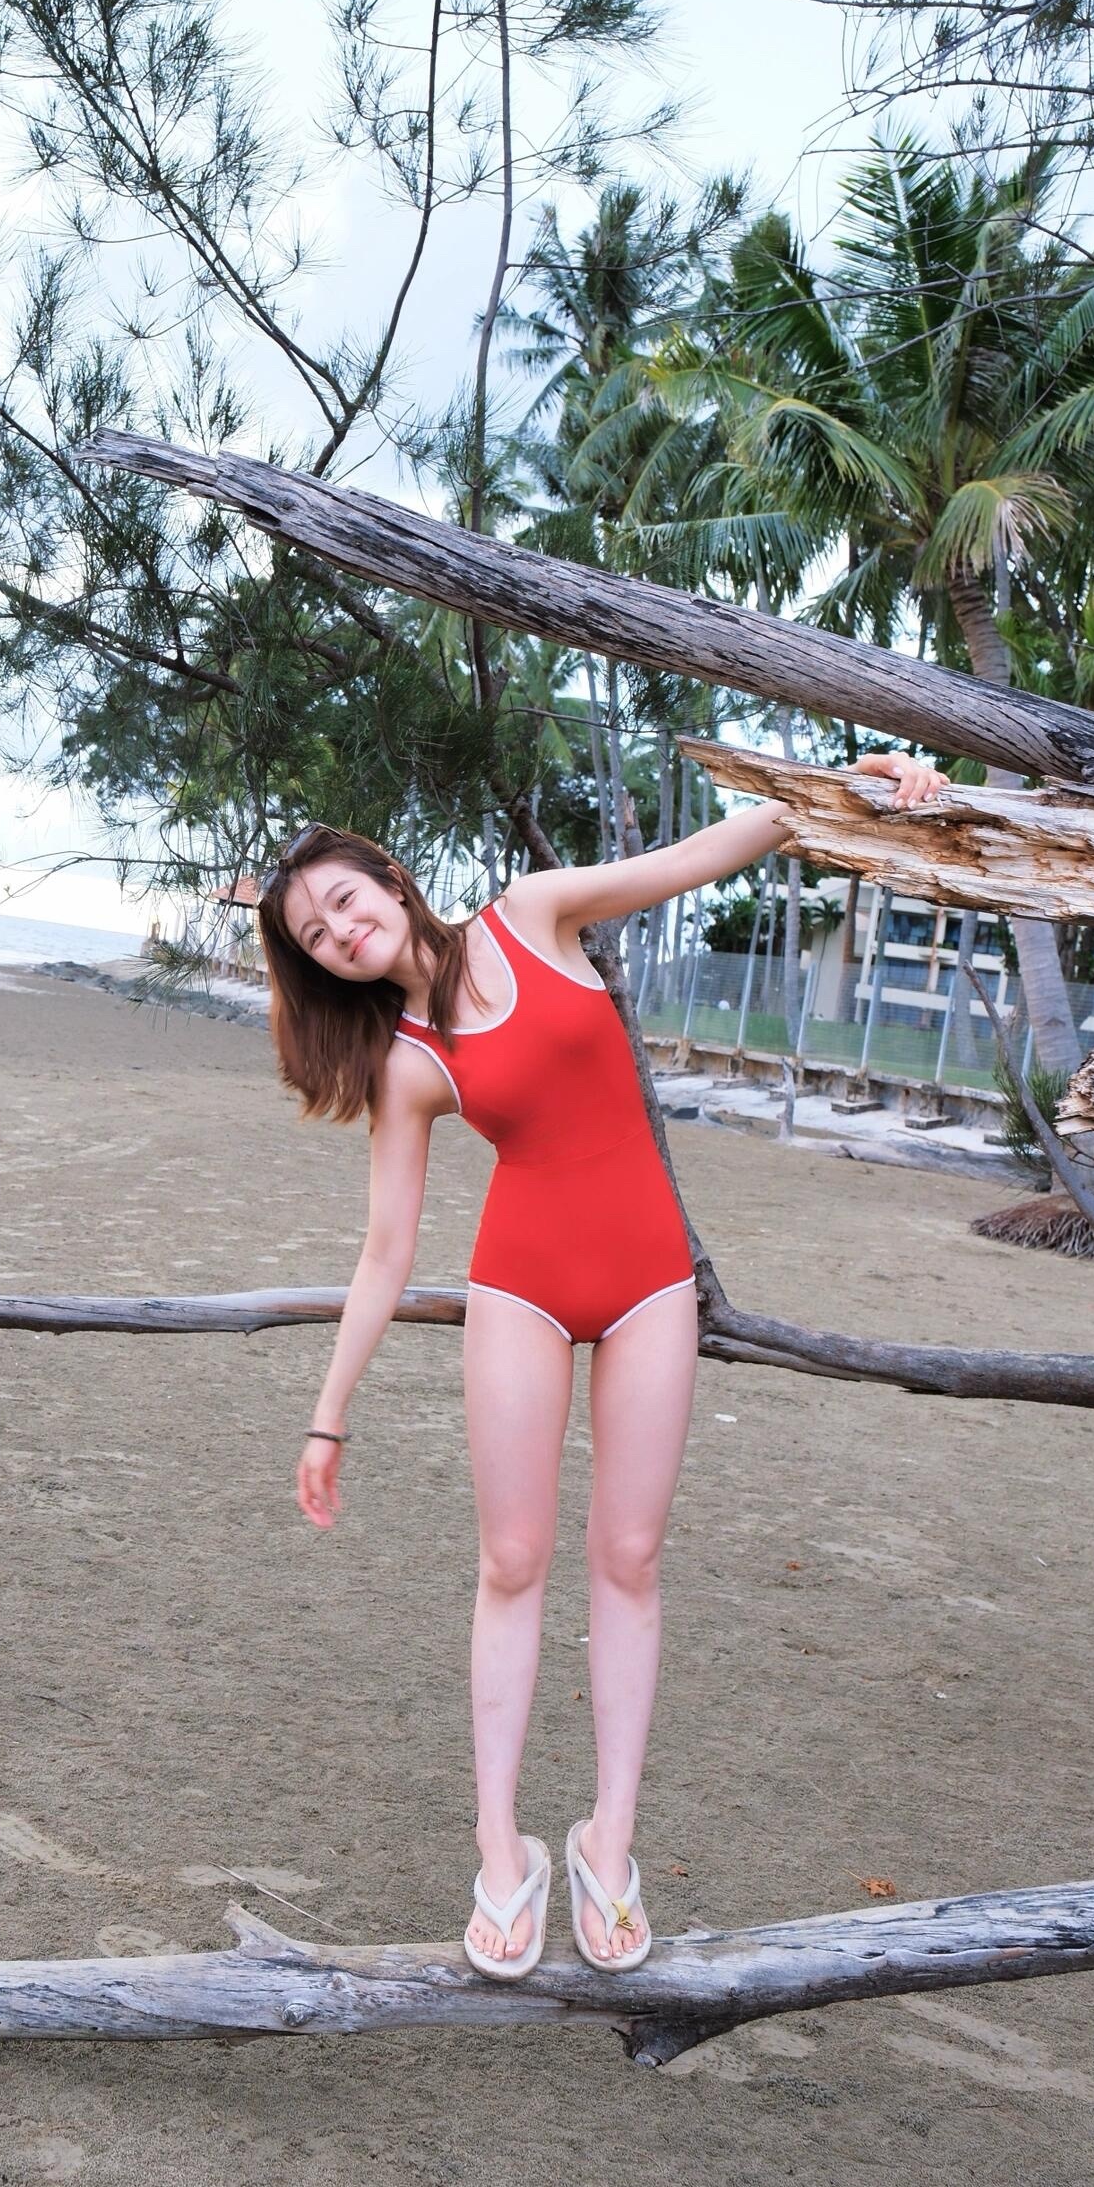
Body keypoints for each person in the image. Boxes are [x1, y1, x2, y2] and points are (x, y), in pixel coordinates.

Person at [254, 752, 948, 1980]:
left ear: (389, 881)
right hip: (518, 1289)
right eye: (316, 936)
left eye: (344, 902)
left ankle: (604, 1841)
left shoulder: (532, 912)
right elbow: (383, 1251)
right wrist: (327, 1412)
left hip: (647, 1283)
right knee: (511, 1561)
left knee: (627, 1557)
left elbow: (701, 855)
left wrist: (843, 783)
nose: (341, 933)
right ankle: (500, 1851)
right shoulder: (407, 1065)